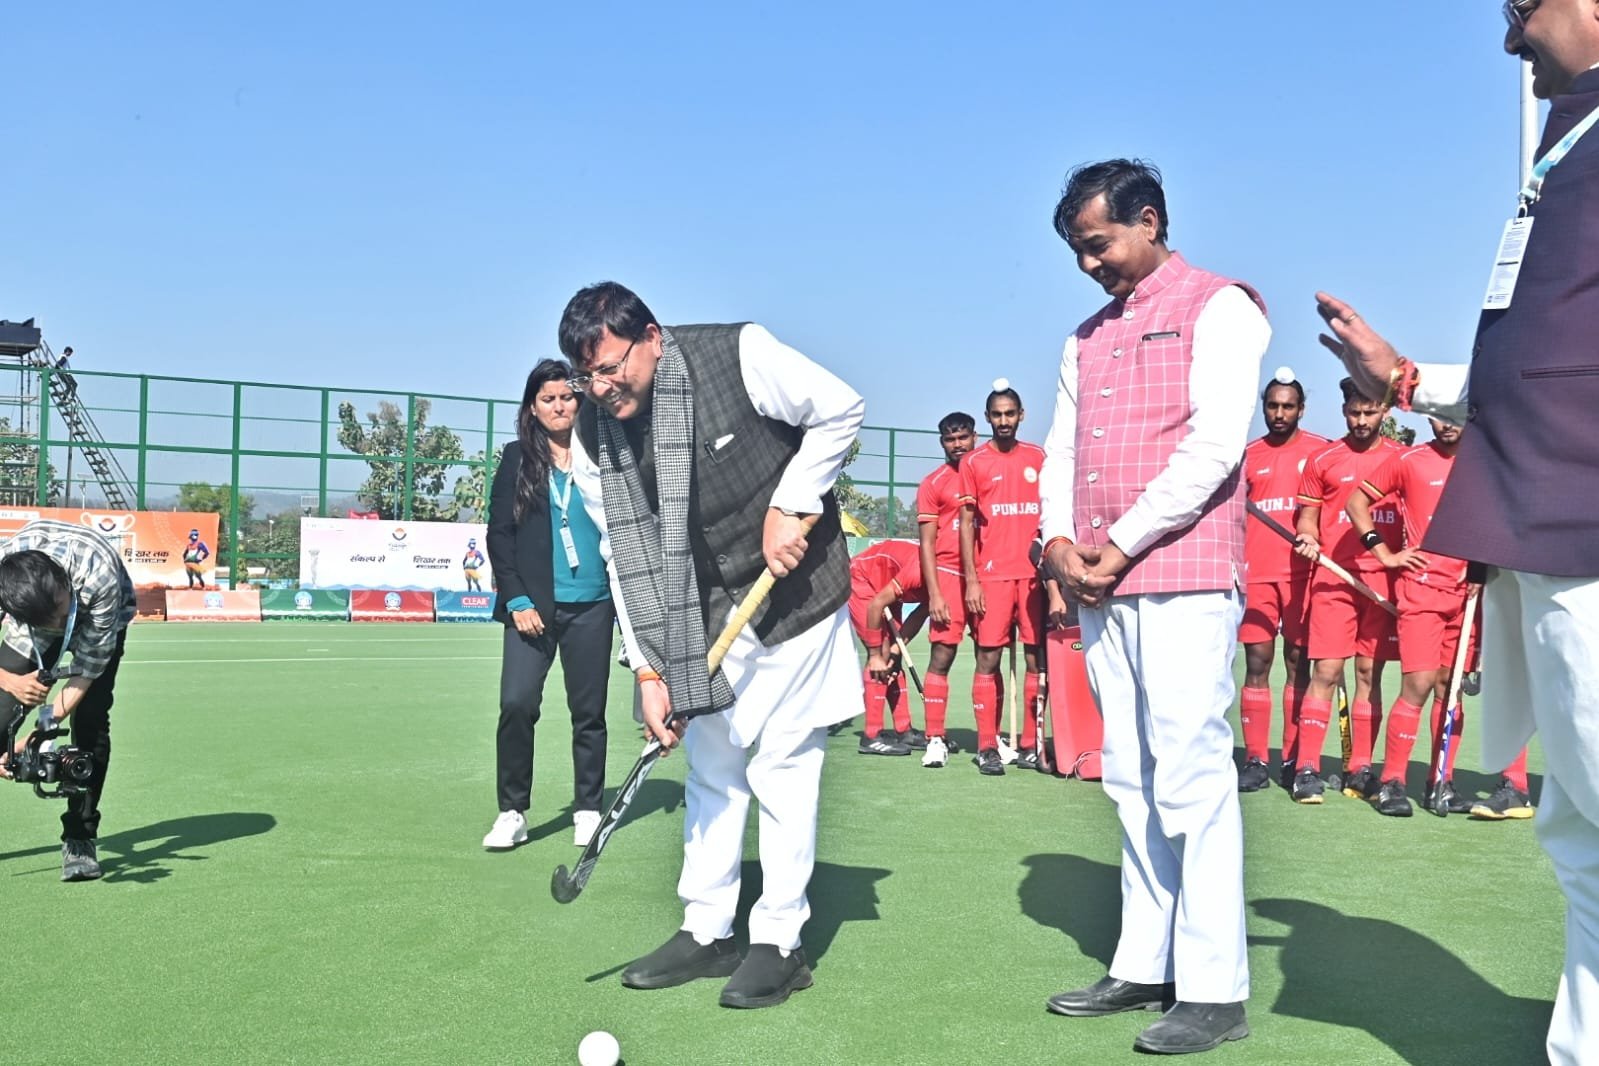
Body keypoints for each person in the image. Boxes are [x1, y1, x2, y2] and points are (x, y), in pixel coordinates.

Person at [1314, 8, 1599, 1058]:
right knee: (1578, 828)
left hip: (1582, 525)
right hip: (1538, 527)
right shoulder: (1571, 134)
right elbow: (1539, 365)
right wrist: (1402, 379)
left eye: (1521, 8)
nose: (1509, 40)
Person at [561, 281, 864, 1010]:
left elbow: (839, 407)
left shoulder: (738, 353)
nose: (599, 389)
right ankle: (707, 930)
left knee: (784, 764)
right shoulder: (593, 435)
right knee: (713, 767)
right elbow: (620, 551)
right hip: (699, 614)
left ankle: (780, 941)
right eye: (585, 376)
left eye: (611, 368)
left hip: (794, 597)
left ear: (651, 338)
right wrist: (649, 669)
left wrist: (792, 500)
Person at [1039, 158, 1269, 1054]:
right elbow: (1061, 452)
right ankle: (1145, 960)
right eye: (1077, 250)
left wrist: (1122, 540)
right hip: (1097, 578)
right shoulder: (1083, 336)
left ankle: (1213, 990)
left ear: (1148, 220)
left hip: (1182, 573)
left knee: (1189, 774)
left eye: (1097, 244)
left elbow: (1214, 446)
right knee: (1128, 775)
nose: (1087, 264)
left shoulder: (1221, 306)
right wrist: (1057, 543)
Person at [1347, 420, 1532, 819]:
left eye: (1452, 415)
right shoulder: (1409, 460)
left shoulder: (1485, 461)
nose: (1444, 424)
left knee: (1451, 689)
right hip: (1422, 590)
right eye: (1436, 416)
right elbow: (1356, 502)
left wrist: (1481, 567)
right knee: (1418, 684)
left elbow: (1501, 520)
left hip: (1469, 595)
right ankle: (1393, 782)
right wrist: (1383, 552)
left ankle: (1440, 783)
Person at [482, 359, 615, 851]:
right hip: (531, 608)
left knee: (589, 713)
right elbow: (499, 535)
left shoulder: (602, 454)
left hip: (593, 605)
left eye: (566, 397)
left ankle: (588, 809)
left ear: (580, 401)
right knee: (517, 704)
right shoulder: (517, 458)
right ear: (533, 408)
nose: (559, 406)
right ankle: (512, 811)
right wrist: (516, 598)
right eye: (548, 399)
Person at [0, 519, 136, 881]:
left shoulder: (98, 576)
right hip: (29, 627)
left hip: (99, 616)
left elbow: (86, 672)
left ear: (63, 580)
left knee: (90, 723)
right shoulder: (4, 576)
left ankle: (79, 837)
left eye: (61, 610)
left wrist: (39, 733)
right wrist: (10, 681)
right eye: (52, 620)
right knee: (0, 711)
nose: (60, 625)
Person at [1288, 379, 1404, 804]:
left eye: (1369, 413)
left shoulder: (1401, 459)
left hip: (1381, 581)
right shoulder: (1323, 459)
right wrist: (1308, 536)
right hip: (1334, 579)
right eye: (1354, 412)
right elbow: (1307, 516)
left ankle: (1360, 769)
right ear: (1344, 411)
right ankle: (1306, 769)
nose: (1361, 421)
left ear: (1385, 413)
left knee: (1369, 674)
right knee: (1327, 671)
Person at [1237, 370, 1328, 792]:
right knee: (1257, 663)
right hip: (1257, 574)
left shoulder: (1321, 452)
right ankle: (1256, 759)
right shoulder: (1246, 456)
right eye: (1272, 405)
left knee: (1298, 663)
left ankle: (1293, 759)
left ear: (1301, 409)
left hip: (1302, 575)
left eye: (1287, 406)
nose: (1279, 413)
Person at [958, 382, 1047, 775]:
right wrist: (971, 580)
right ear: (987, 418)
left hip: (1033, 578)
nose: (1004, 420)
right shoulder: (973, 462)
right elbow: (965, 524)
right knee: (988, 658)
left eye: (1010, 413)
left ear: (1021, 415)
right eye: (997, 414)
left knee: (1036, 658)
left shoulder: (1039, 457)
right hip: (992, 577)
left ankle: (1030, 744)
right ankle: (987, 746)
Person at [913, 411, 976, 768]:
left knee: (989, 655)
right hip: (949, 575)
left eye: (963, 437)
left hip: (987, 576)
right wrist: (935, 593)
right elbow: (926, 543)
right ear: (942, 443)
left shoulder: (988, 473)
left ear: (974, 436)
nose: (958, 444)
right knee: (942, 655)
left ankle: (990, 741)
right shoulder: (932, 483)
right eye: (951, 439)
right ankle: (934, 738)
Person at [846, 538, 929, 756]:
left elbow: (919, 615)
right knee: (881, 656)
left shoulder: (946, 579)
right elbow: (875, 605)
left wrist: (897, 649)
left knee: (893, 656)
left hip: (888, 588)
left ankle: (904, 730)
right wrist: (875, 653)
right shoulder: (917, 571)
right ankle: (871, 736)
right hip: (862, 578)